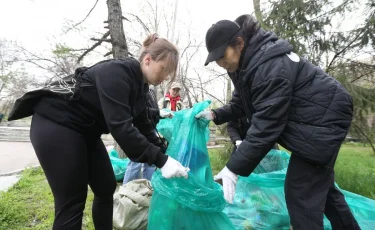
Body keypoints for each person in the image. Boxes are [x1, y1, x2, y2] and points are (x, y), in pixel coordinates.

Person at [8, 34, 189, 230]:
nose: (165, 78)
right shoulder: (118, 73)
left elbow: (143, 125)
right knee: (72, 201)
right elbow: (122, 129)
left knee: (105, 187)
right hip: (56, 125)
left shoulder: (141, 88)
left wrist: (165, 152)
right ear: (148, 60)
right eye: (164, 70)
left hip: (85, 131)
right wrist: (161, 161)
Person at [196, 15, 359, 229]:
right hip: (318, 120)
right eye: (215, 59)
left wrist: (233, 169)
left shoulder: (267, 66)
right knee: (323, 190)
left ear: (239, 43)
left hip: (324, 121)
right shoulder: (245, 65)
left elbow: (266, 124)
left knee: (301, 194)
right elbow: (241, 103)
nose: (220, 63)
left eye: (222, 55)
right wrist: (215, 115)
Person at [123, 87, 173, 184]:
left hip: (151, 128)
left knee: (151, 161)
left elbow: (151, 110)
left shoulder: (150, 92)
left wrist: (159, 115)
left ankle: (148, 186)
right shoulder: (137, 89)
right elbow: (140, 111)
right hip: (139, 128)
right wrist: (158, 112)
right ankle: (126, 188)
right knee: (136, 162)